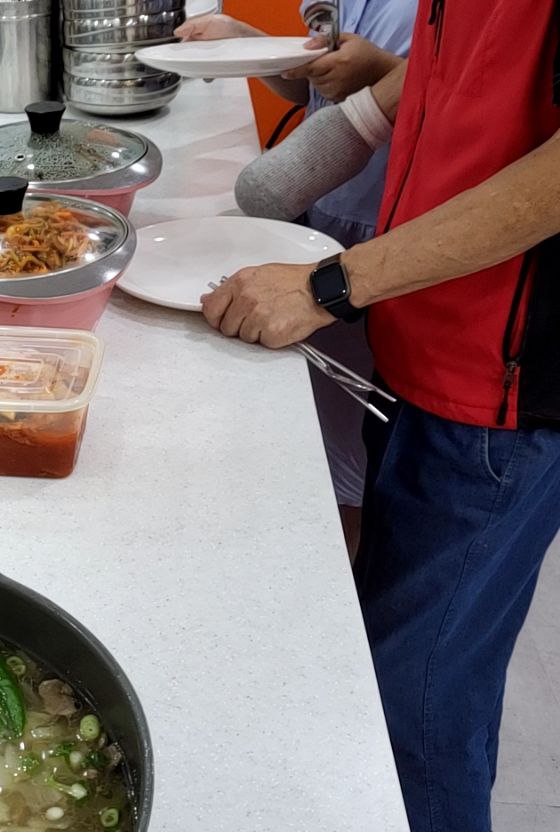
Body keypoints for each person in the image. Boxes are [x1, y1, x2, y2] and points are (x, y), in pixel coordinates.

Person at [201, 0, 560, 832]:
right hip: (433, 329)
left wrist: (334, 283)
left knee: (422, 681)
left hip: (507, 376)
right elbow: (456, 66)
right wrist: (340, 130)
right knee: (391, 639)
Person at [177, 2, 415, 554]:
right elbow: (315, 87)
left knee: (361, 437)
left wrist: (381, 75)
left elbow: (467, 105)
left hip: (392, 230)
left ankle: (346, 552)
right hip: (325, 215)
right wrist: (248, 45)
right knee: (322, 428)